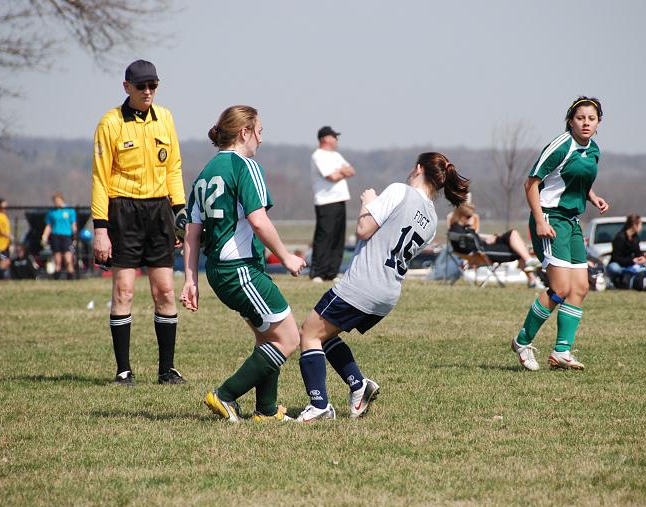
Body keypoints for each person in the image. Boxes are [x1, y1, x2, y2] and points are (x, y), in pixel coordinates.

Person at [296, 152, 469, 421]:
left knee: (308, 333)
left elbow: (364, 230)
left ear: (419, 169)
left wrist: (368, 202)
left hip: (362, 284)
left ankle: (319, 406)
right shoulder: (433, 220)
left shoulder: (400, 191)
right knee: (325, 335)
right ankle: (358, 385)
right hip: (387, 294)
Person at [181, 105, 306, 422]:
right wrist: (287, 255)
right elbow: (259, 221)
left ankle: (266, 411)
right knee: (290, 339)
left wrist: (190, 279)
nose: (261, 140)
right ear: (244, 132)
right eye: (260, 132)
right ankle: (224, 395)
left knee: (268, 337)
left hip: (219, 271)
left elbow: (192, 233)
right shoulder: (245, 167)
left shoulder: (205, 173)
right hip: (239, 269)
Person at [91, 60, 187, 386]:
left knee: (165, 290)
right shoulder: (110, 123)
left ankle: (167, 370)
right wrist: (100, 229)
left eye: (153, 86)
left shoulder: (166, 119)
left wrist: (179, 214)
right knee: (124, 291)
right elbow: (100, 177)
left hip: (159, 210)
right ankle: (123, 370)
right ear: (127, 87)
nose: (148, 92)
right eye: (142, 86)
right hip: (123, 212)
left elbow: (173, 167)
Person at [510, 96, 609, 372]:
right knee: (560, 288)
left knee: (580, 287)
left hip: (572, 221)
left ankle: (562, 352)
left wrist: (592, 197)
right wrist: (540, 221)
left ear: (598, 122)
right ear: (570, 121)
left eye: (591, 118)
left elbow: (575, 180)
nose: (586, 123)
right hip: (551, 218)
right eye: (580, 118)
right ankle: (522, 340)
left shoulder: (594, 150)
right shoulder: (561, 145)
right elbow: (531, 183)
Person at [448, 202, 542, 288]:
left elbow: (473, 239)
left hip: (485, 247)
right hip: (484, 252)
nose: (471, 219)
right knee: (519, 250)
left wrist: (488, 239)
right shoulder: (460, 230)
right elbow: (471, 244)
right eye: (468, 216)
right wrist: (485, 241)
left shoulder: (458, 229)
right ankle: (531, 274)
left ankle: (530, 267)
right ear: (460, 216)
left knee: (513, 234)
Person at [309, 126, 355, 283]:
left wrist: (341, 171)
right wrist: (342, 171)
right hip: (325, 201)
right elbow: (332, 177)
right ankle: (318, 272)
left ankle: (332, 272)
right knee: (325, 237)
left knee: (338, 237)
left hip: (340, 200)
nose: (336, 140)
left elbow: (351, 171)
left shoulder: (336, 155)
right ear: (325, 139)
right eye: (334, 137)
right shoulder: (318, 156)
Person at [606, 214, 646, 287]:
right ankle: (616, 282)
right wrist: (632, 260)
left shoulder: (635, 238)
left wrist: (641, 257)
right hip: (620, 265)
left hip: (632, 265)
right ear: (634, 225)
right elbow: (617, 258)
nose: (641, 227)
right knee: (614, 268)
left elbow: (638, 252)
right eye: (640, 224)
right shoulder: (620, 237)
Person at [41, 192, 77, 280]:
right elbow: (49, 226)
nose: (57, 202)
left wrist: (75, 236)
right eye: (55, 201)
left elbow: (73, 225)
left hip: (66, 237)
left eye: (58, 200)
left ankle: (71, 278)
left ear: (62, 200)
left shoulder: (70, 210)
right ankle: (57, 279)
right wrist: (44, 236)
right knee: (57, 260)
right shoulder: (52, 213)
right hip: (55, 236)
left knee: (68, 259)